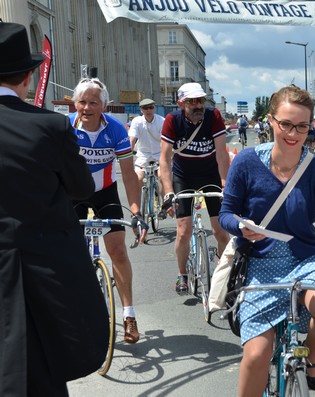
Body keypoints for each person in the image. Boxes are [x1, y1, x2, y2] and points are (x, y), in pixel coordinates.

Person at [219, 85, 315, 396]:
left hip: (305, 259)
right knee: (256, 356)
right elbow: (225, 213)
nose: (293, 133)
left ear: (311, 125)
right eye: (286, 124)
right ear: (271, 121)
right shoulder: (245, 162)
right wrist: (241, 226)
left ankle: (310, 349)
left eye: (302, 126)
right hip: (258, 264)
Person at [0, 22, 109, 395]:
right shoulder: (48, 126)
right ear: (28, 76)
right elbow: (81, 187)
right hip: (41, 269)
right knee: (41, 369)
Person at [69, 77, 148, 344]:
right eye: (82, 102)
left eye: (93, 102)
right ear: (74, 103)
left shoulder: (115, 131)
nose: (87, 107)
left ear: (104, 106)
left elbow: (128, 174)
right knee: (70, 254)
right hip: (74, 194)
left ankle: (129, 315)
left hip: (105, 193)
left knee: (117, 250)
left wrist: (136, 212)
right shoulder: (66, 127)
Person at [160, 82, 230, 294]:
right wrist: (168, 192)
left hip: (210, 174)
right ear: (181, 103)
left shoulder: (214, 116)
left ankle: (222, 273)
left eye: (200, 100)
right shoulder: (173, 120)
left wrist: (225, 184)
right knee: (183, 231)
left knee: (220, 231)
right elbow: (164, 159)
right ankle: (182, 274)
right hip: (183, 176)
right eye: (192, 101)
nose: (198, 105)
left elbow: (221, 154)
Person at [128, 97, 165, 202]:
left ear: (154, 109)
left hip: (159, 154)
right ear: (141, 110)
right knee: (138, 179)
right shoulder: (137, 121)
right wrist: (128, 156)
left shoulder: (162, 121)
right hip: (143, 155)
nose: (148, 110)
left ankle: (164, 205)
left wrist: (165, 157)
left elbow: (165, 141)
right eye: (145, 108)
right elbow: (132, 139)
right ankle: (139, 206)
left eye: (151, 107)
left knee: (162, 177)